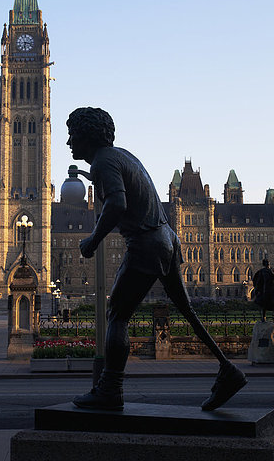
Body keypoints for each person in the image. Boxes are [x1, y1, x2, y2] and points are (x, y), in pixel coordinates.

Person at [66, 107, 247, 412]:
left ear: (87, 136)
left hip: (146, 243)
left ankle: (110, 389)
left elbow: (117, 203)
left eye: (73, 134)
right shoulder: (123, 156)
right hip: (167, 239)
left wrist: (93, 240)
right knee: (187, 310)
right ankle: (229, 370)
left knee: (117, 315)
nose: (69, 142)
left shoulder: (103, 161)